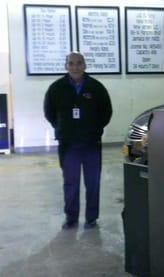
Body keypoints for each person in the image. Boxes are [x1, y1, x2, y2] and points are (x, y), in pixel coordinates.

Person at [44, 52, 113, 230]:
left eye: (79, 63)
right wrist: (62, 128)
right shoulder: (56, 88)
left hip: (91, 143)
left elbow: (106, 112)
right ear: (66, 66)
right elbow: (49, 112)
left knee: (92, 182)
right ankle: (71, 218)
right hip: (68, 145)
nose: (75, 66)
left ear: (85, 65)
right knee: (70, 183)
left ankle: (91, 218)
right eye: (71, 63)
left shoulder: (96, 87)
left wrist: (96, 130)